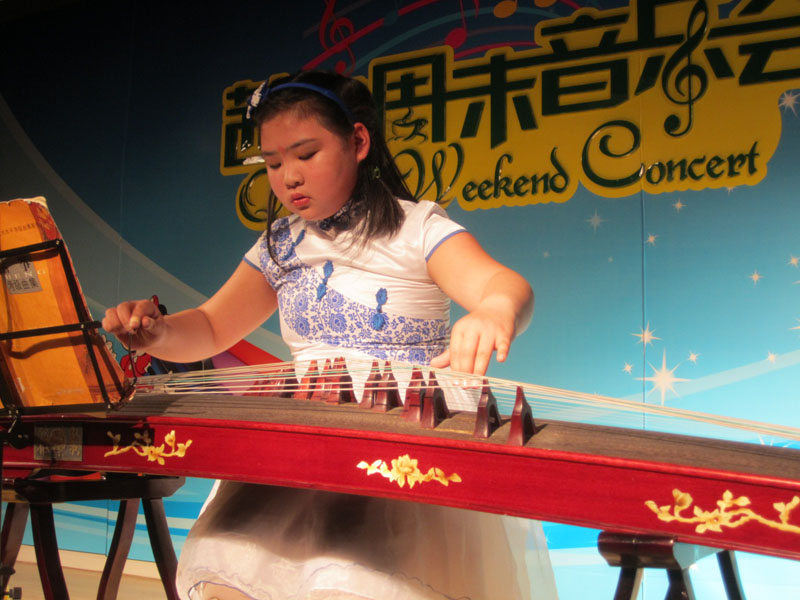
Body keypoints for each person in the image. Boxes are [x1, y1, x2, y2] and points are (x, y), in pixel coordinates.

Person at [103, 70, 555, 600]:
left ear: (358, 142)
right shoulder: (280, 243)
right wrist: (157, 333)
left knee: (348, 579)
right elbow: (209, 326)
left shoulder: (415, 228)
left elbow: (505, 285)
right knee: (228, 568)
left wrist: (494, 311)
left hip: (400, 430)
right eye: (273, 164)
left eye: (306, 154)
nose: (288, 177)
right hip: (305, 427)